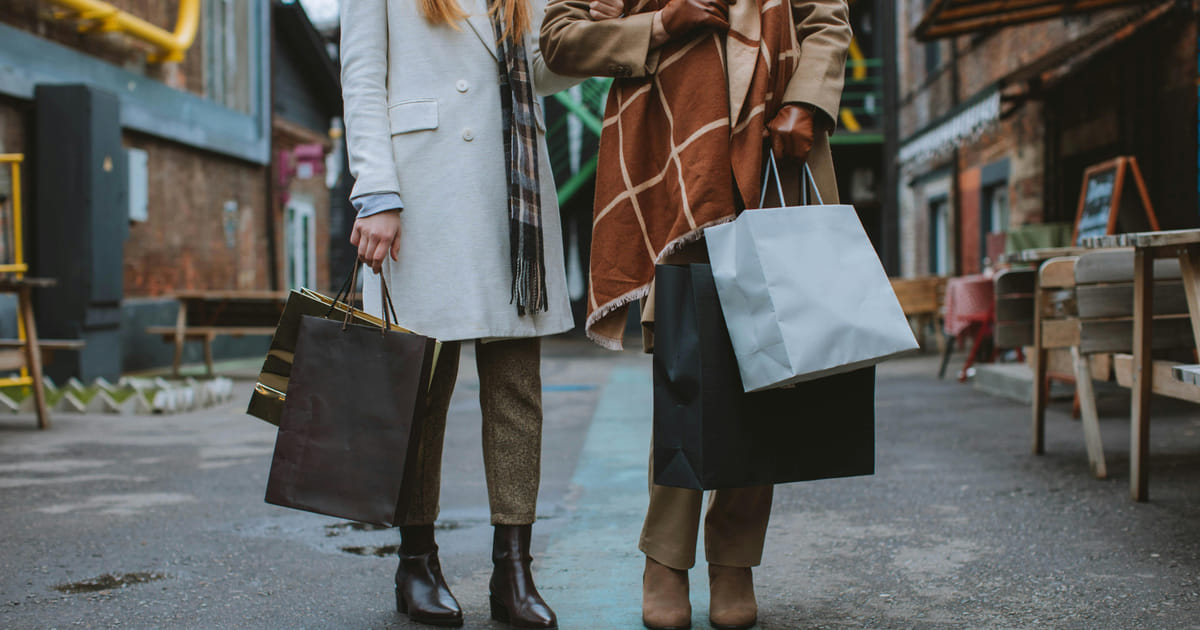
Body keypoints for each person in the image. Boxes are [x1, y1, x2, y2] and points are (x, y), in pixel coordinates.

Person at [539, 1, 851, 628]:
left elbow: (826, 18)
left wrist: (808, 100)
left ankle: (735, 560)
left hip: (772, 152)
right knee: (686, 371)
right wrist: (660, 24)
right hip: (672, 164)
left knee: (769, 371)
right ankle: (666, 559)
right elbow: (560, 39)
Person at [339, 0, 579, 626]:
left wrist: (587, 36)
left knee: (517, 391)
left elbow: (539, 69)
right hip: (421, 192)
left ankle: (513, 571)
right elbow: (361, 77)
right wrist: (376, 192)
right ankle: (416, 563)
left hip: (511, 192)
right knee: (419, 393)